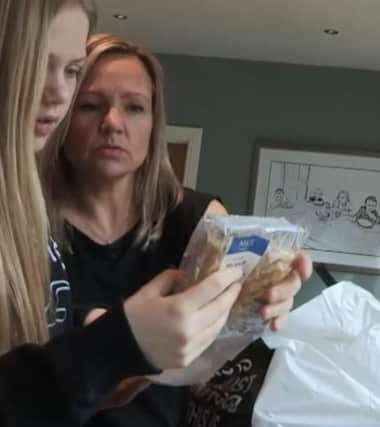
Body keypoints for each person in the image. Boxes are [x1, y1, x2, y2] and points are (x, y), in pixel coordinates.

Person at [0, 3, 247, 426]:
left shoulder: (2, 202)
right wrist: (114, 346)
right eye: (37, 63)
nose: (59, 94)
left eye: (71, 70)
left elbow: (13, 341)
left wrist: (95, 331)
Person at [41, 33, 313, 427]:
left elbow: (230, 329)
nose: (112, 123)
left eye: (134, 107)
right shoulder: (22, 221)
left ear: (154, 126)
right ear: (61, 117)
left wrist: (265, 299)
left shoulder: (198, 220)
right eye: (90, 105)